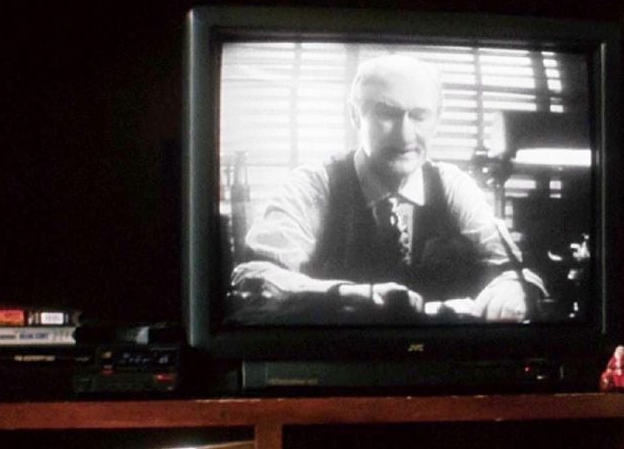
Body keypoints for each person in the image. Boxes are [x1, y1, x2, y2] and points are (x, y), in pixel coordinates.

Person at [230, 54, 540, 323]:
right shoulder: (314, 184)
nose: (405, 135)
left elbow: (516, 270)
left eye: (419, 115)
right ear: (355, 116)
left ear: (437, 120)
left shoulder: (453, 185)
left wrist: (515, 287)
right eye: (387, 113)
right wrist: (349, 295)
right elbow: (253, 277)